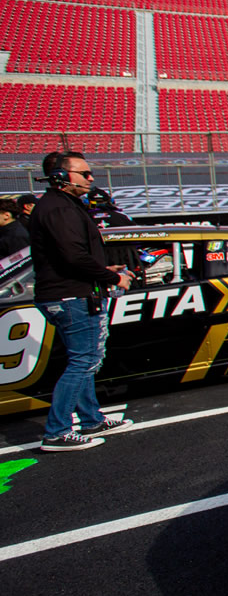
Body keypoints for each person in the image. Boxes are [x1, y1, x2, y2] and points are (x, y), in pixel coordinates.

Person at [28, 151, 134, 452]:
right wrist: (112, 277)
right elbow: (73, 256)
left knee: (83, 361)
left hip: (68, 292)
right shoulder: (59, 209)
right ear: (61, 177)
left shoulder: (60, 206)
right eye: (84, 173)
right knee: (84, 361)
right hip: (70, 295)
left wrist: (103, 269)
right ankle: (57, 431)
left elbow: (68, 255)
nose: (91, 178)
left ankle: (91, 419)